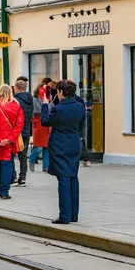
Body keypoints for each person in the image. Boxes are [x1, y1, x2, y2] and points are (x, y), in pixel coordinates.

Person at [41, 79, 86, 224]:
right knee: (73, 177)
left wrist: (44, 105)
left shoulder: (58, 109)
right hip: (73, 144)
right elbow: (81, 126)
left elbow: (45, 121)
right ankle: (74, 214)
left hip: (59, 145)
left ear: (60, 92)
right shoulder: (80, 107)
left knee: (63, 179)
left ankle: (65, 215)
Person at [0, 84, 24, 199]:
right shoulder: (16, 107)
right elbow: (18, 126)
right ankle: (4, 190)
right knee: (7, 165)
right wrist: (10, 138)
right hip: (8, 143)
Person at [11, 79, 33, 187]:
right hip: (26, 130)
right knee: (23, 155)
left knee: (11, 154)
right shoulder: (30, 99)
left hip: (16, 131)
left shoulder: (15, 100)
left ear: (16, 89)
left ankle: (13, 176)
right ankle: (23, 177)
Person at [29, 84, 50, 172]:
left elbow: (51, 108)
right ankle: (31, 160)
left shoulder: (49, 98)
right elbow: (36, 110)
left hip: (47, 122)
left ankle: (46, 166)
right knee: (39, 146)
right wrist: (45, 104)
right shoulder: (34, 99)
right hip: (39, 123)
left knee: (47, 146)